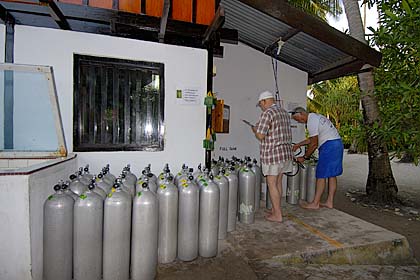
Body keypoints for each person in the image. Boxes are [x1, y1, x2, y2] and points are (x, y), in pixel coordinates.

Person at [251, 91, 293, 222]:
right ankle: (276, 209)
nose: (261, 107)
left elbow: (261, 135)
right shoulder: (284, 113)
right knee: (278, 182)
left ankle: (277, 215)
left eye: (261, 104)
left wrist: (255, 130)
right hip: (285, 154)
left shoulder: (267, 113)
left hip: (273, 155)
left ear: (264, 101)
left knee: (271, 183)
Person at [291, 107, 343, 209]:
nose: (300, 122)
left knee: (321, 176)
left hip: (329, 146)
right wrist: (299, 144)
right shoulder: (316, 117)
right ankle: (329, 202)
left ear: (302, 113)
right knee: (332, 175)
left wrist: (305, 157)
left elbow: (314, 144)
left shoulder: (311, 121)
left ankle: (315, 203)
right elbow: (312, 139)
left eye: (298, 119)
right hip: (337, 144)